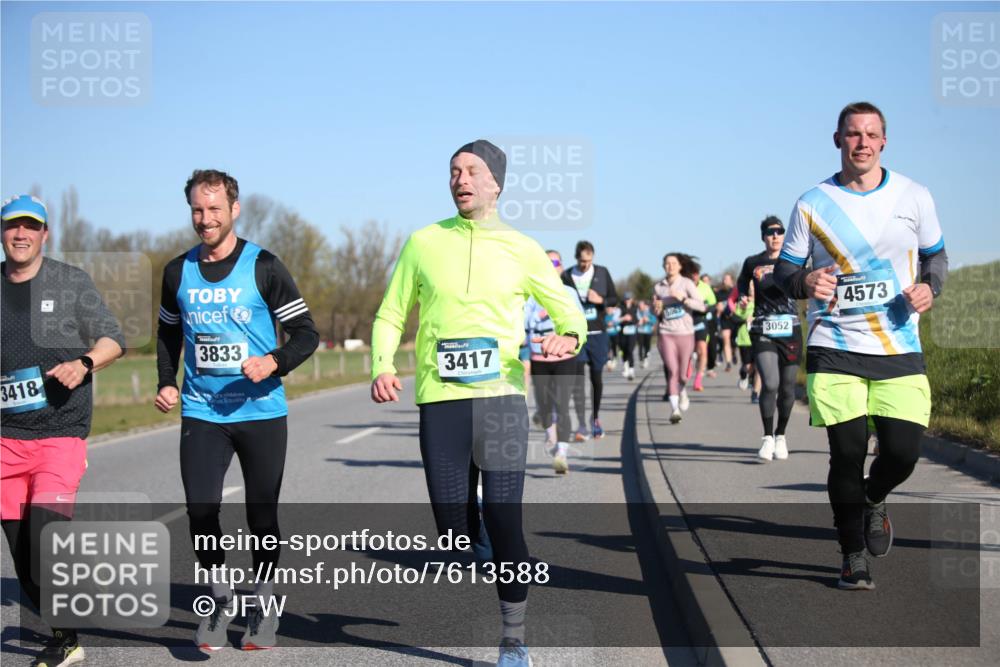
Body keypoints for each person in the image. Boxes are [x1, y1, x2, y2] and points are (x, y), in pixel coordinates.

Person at [370, 140, 585, 666]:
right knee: (453, 531)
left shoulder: (524, 248)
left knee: (508, 520)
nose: (460, 179)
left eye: (472, 171)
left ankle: (513, 636)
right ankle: (476, 531)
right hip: (441, 400)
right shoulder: (423, 242)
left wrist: (569, 338)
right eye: (453, 171)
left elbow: (569, 312)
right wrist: (380, 364)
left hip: (502, 399)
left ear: (496, 183)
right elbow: (390, 314)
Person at [773, 101, 947, 590]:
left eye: (871, 134)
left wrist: (930, 286)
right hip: (834, 344)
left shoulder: (914, 196)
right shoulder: (812, 202)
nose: (863, 143)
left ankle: (874, 497)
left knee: (903, 453)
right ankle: (852, 555)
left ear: (884, 141)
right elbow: (785, 272)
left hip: (898, 344)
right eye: (853, 134)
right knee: (845, 453)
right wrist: (806, 281)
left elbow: (936, 256)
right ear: (838, 140)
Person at [154, 170, 319, 649]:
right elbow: (167, 333)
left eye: (214, 210)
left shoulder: (264, 266)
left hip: (260, 412)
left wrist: (274, 361)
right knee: (201, 510)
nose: (205, 220)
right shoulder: (175, 271)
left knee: (260, 517)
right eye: (197, 211)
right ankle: (219, 597)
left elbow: (306, 333)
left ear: (234, 209)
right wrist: (166, 380)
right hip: (203, 411)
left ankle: (264, 606)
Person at [1, 194, 125, 667]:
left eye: (31, 227)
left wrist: (84, 362)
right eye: (13, 226)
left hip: (60, 432)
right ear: (2, 232)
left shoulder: (69, 283)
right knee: (21, 554)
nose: (21, 235)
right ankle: (64, 634)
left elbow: (114, 338)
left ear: (45, 234)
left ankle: (63, 637)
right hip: (5, 438)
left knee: (45, 537)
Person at [738, 216, 802, 461]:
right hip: (763, 328)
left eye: (779, 231)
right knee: (771, 383)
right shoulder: (752, 263)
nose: (775, 236)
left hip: (790, 329)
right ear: (763, 236)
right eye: (770, 232)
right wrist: (745, 299)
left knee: (787, 387)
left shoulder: (795, 261)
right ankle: (766, 437)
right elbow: (742, 287)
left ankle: (781, 435)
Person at [525, 249, 586, 473]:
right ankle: (549, 429)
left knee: (561, 404)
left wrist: (574, 340)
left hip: (565, 357)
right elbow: (522, 320)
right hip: (539, 355)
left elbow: (579, 320)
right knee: (543, 405)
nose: (552, 266)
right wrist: (538, 315)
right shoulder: (532, 294)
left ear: (561, 267)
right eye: (547, 263)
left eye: (556, 262)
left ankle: (562, 453)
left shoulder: (569, 292)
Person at [562, 240, 618, 439]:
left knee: (596, 378)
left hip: (598, 334)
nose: (585, 265)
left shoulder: (602, 272)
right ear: (576, 258)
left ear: (593, 257)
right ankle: (581, 424)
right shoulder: (567, 275)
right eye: (582, 261)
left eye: (588, 261)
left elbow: (614, 298)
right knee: (578, 381)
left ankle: (595, 419)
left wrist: (601, 300)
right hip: (577, 336)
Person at [653, 253, 706, 423]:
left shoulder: (687, 283)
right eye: (667, 263)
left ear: (680, 266)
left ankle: (682, 391)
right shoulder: (658, 287)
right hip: (666, 333)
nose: (670, 266)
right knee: (672, 371)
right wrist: (657, 309)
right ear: (663, 266)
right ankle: (674, 410)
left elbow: (702, 306)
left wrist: (682, 298)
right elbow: (657, 312)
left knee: (683, 375)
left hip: (685, 333)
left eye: (673, 263)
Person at [690, 272, 718, 391]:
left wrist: (706, 308)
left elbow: (713, 304)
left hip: (701, 320)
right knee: (688, 350)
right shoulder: (684, 285)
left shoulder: (705, 287)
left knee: (703, 350)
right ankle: (687, 368)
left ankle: (698, 380)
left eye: (696, 273)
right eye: (692, 273)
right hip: (686, 321)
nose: (694, 276)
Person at [715, 273, 737, 371]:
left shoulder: (736, 291)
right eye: (724, 279)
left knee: (734, 342)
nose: (725, 281)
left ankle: (733, 352)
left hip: (736, 319)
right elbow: (717, 305)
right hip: (725, 319)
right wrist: (718, 308)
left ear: (731, 280)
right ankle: (728, 363)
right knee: (726, 339)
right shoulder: (719, 293)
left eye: (727, 279)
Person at [618, 293, 639, 380]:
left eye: (629, 299)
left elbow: (638, 319)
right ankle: (625, 366)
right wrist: (623, 318)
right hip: (622, 332)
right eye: (626, 299)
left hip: (632, 331)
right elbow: (615, 319)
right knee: (624, 350)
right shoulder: (620, 308)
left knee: (630, 349)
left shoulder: (635, 308)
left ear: (632, 299)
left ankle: (631, 370)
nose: (627, 301)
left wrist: (632, 319)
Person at [636, 300, 655, 369]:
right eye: (639, 305)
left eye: (642, 305)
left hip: (647, 331)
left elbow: (654, 320)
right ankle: (641, 359)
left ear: (644, 305)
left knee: (647, 345)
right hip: (639, 331)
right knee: (640, 345)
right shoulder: (637, 312)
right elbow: (635, 321)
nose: (640, 306)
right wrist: (638, 322)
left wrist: (648, 320)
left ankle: (646, 357)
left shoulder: (649, 311)